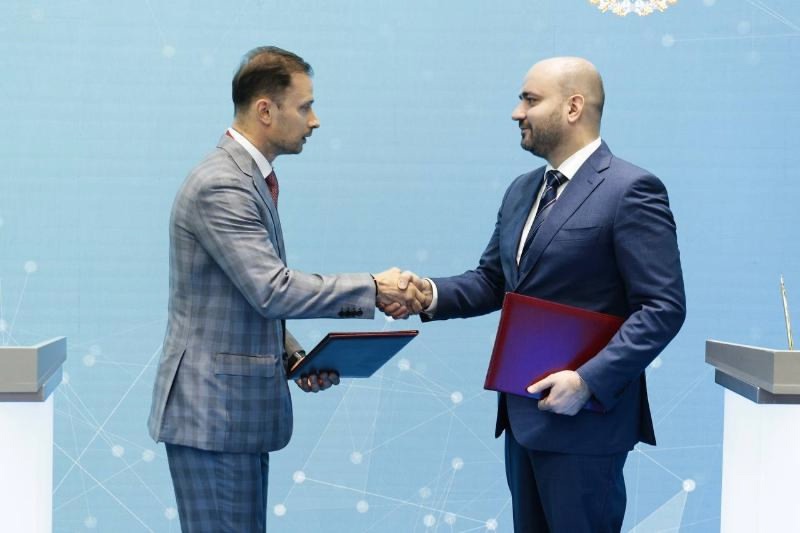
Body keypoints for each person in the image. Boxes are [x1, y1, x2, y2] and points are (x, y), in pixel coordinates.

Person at [392, 57, 686, 532]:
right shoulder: (522, 191)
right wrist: (427, 295)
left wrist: (587, 381)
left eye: (529, 100)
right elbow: (493, 281)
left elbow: (662, 307)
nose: (517, 112)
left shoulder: (631, 190)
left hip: (587, 425)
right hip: (524, 419)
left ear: (573, 107)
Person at [147, 46, 425, 533]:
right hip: (215, 416)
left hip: (231, 415)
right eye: (305, 106)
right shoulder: (222, 185)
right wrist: (373, 287)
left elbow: (241, 297)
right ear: (265, 110)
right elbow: (271, 290)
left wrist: (291, 355)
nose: (315, 121)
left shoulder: (248, 179)